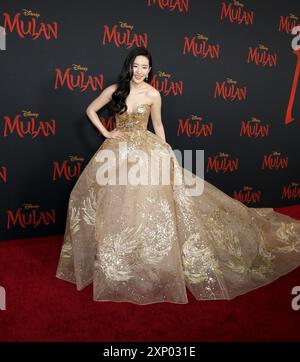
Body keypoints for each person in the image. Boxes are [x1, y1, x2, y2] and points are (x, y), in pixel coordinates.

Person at [56, 46, 300, 305]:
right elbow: (91, 110)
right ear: (129, 66)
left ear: (150, 70)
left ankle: (149, 254)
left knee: (149, 201)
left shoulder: (153, 94)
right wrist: (106, 133)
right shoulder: (115, 90)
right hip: (116, 151)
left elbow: (158, 125)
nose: (139, 71)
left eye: (144, 67)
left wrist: (165, 152)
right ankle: (119, 255)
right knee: (113, 201)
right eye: (135, 66)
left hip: (146, 151)